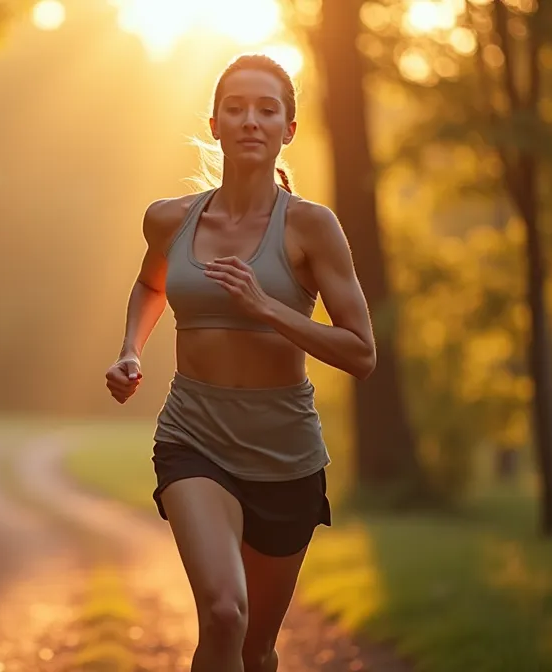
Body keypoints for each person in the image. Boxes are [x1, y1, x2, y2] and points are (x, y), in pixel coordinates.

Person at [104, 52, 377, 672]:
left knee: (256, 649)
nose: (250, 120)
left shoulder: (312, 227)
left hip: (284, 452)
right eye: (236, 108)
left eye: (266, 109)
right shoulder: (169, 219)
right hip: (194, 436)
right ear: (215, 124)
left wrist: (268, 308)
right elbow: (150, 285)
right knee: (225, 613)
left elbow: (361, 352)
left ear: (288, 130)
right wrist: (129, 351)